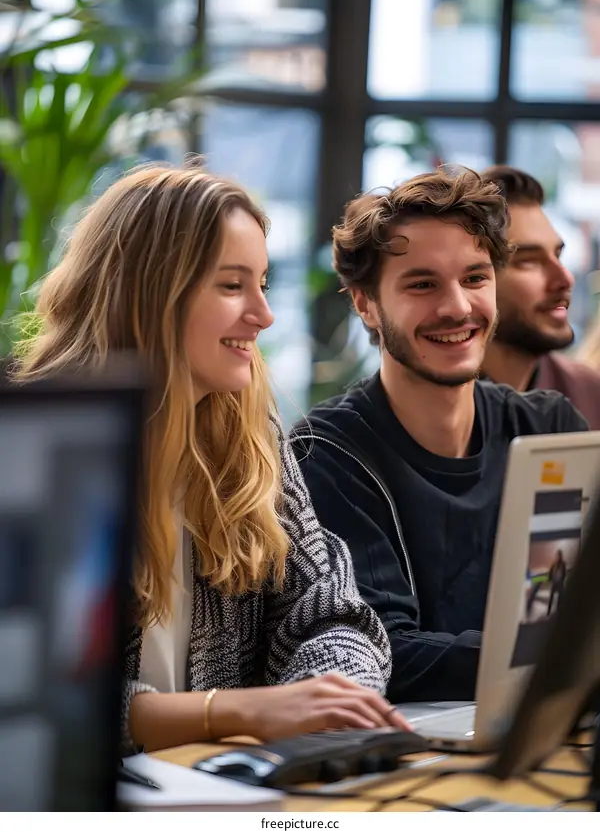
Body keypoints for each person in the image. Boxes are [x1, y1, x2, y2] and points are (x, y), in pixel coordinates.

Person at [10, 162, 407, 754]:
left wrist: (319, 705)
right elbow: (39, 688)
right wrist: (230, 712)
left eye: (263, 284)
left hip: (219, 784)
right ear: (151, 291)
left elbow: (332, 614)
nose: (263, 315)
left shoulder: (250, 436)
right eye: (231, 286)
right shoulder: (35, 446)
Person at [289, 167, 589, 704]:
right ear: (365, 304)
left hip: (537, 722)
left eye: (475, 278)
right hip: (402, 739)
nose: (457, 307)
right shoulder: (328, 453)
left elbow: (573, 605)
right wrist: (559, 657)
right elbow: (383, 649)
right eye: (423, 284)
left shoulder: (548, 428)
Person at [479, 165, 600, 429]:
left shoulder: (590, 395)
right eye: (529, 261)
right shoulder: (431, 403)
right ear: (472, 280)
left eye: (557, 255)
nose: (565, 279)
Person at [547, 550, 567, 616]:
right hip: (555, 582)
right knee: (551, 598)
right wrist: (550, 579)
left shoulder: (563, 564)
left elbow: (564, 573)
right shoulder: (554, 564)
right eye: (556, 556)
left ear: (560, 556)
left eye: (558, 556)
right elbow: (550, 573)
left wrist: (561, 580)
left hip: (560, 583)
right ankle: (548, 612)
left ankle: (558, 612)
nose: (557, 557)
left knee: (560, 598)